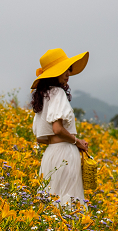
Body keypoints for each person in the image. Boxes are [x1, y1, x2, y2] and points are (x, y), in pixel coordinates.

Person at [31, 48, 90, 207]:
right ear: (53, 74)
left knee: (50, 205)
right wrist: (76, 141)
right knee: (69, 204)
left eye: (68, 69)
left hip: (50, 155)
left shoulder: (43, 95)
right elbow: (57, 129)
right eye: (64, 70)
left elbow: (40, 137)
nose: (68, 73)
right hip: (65, 154)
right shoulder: (58, 93)